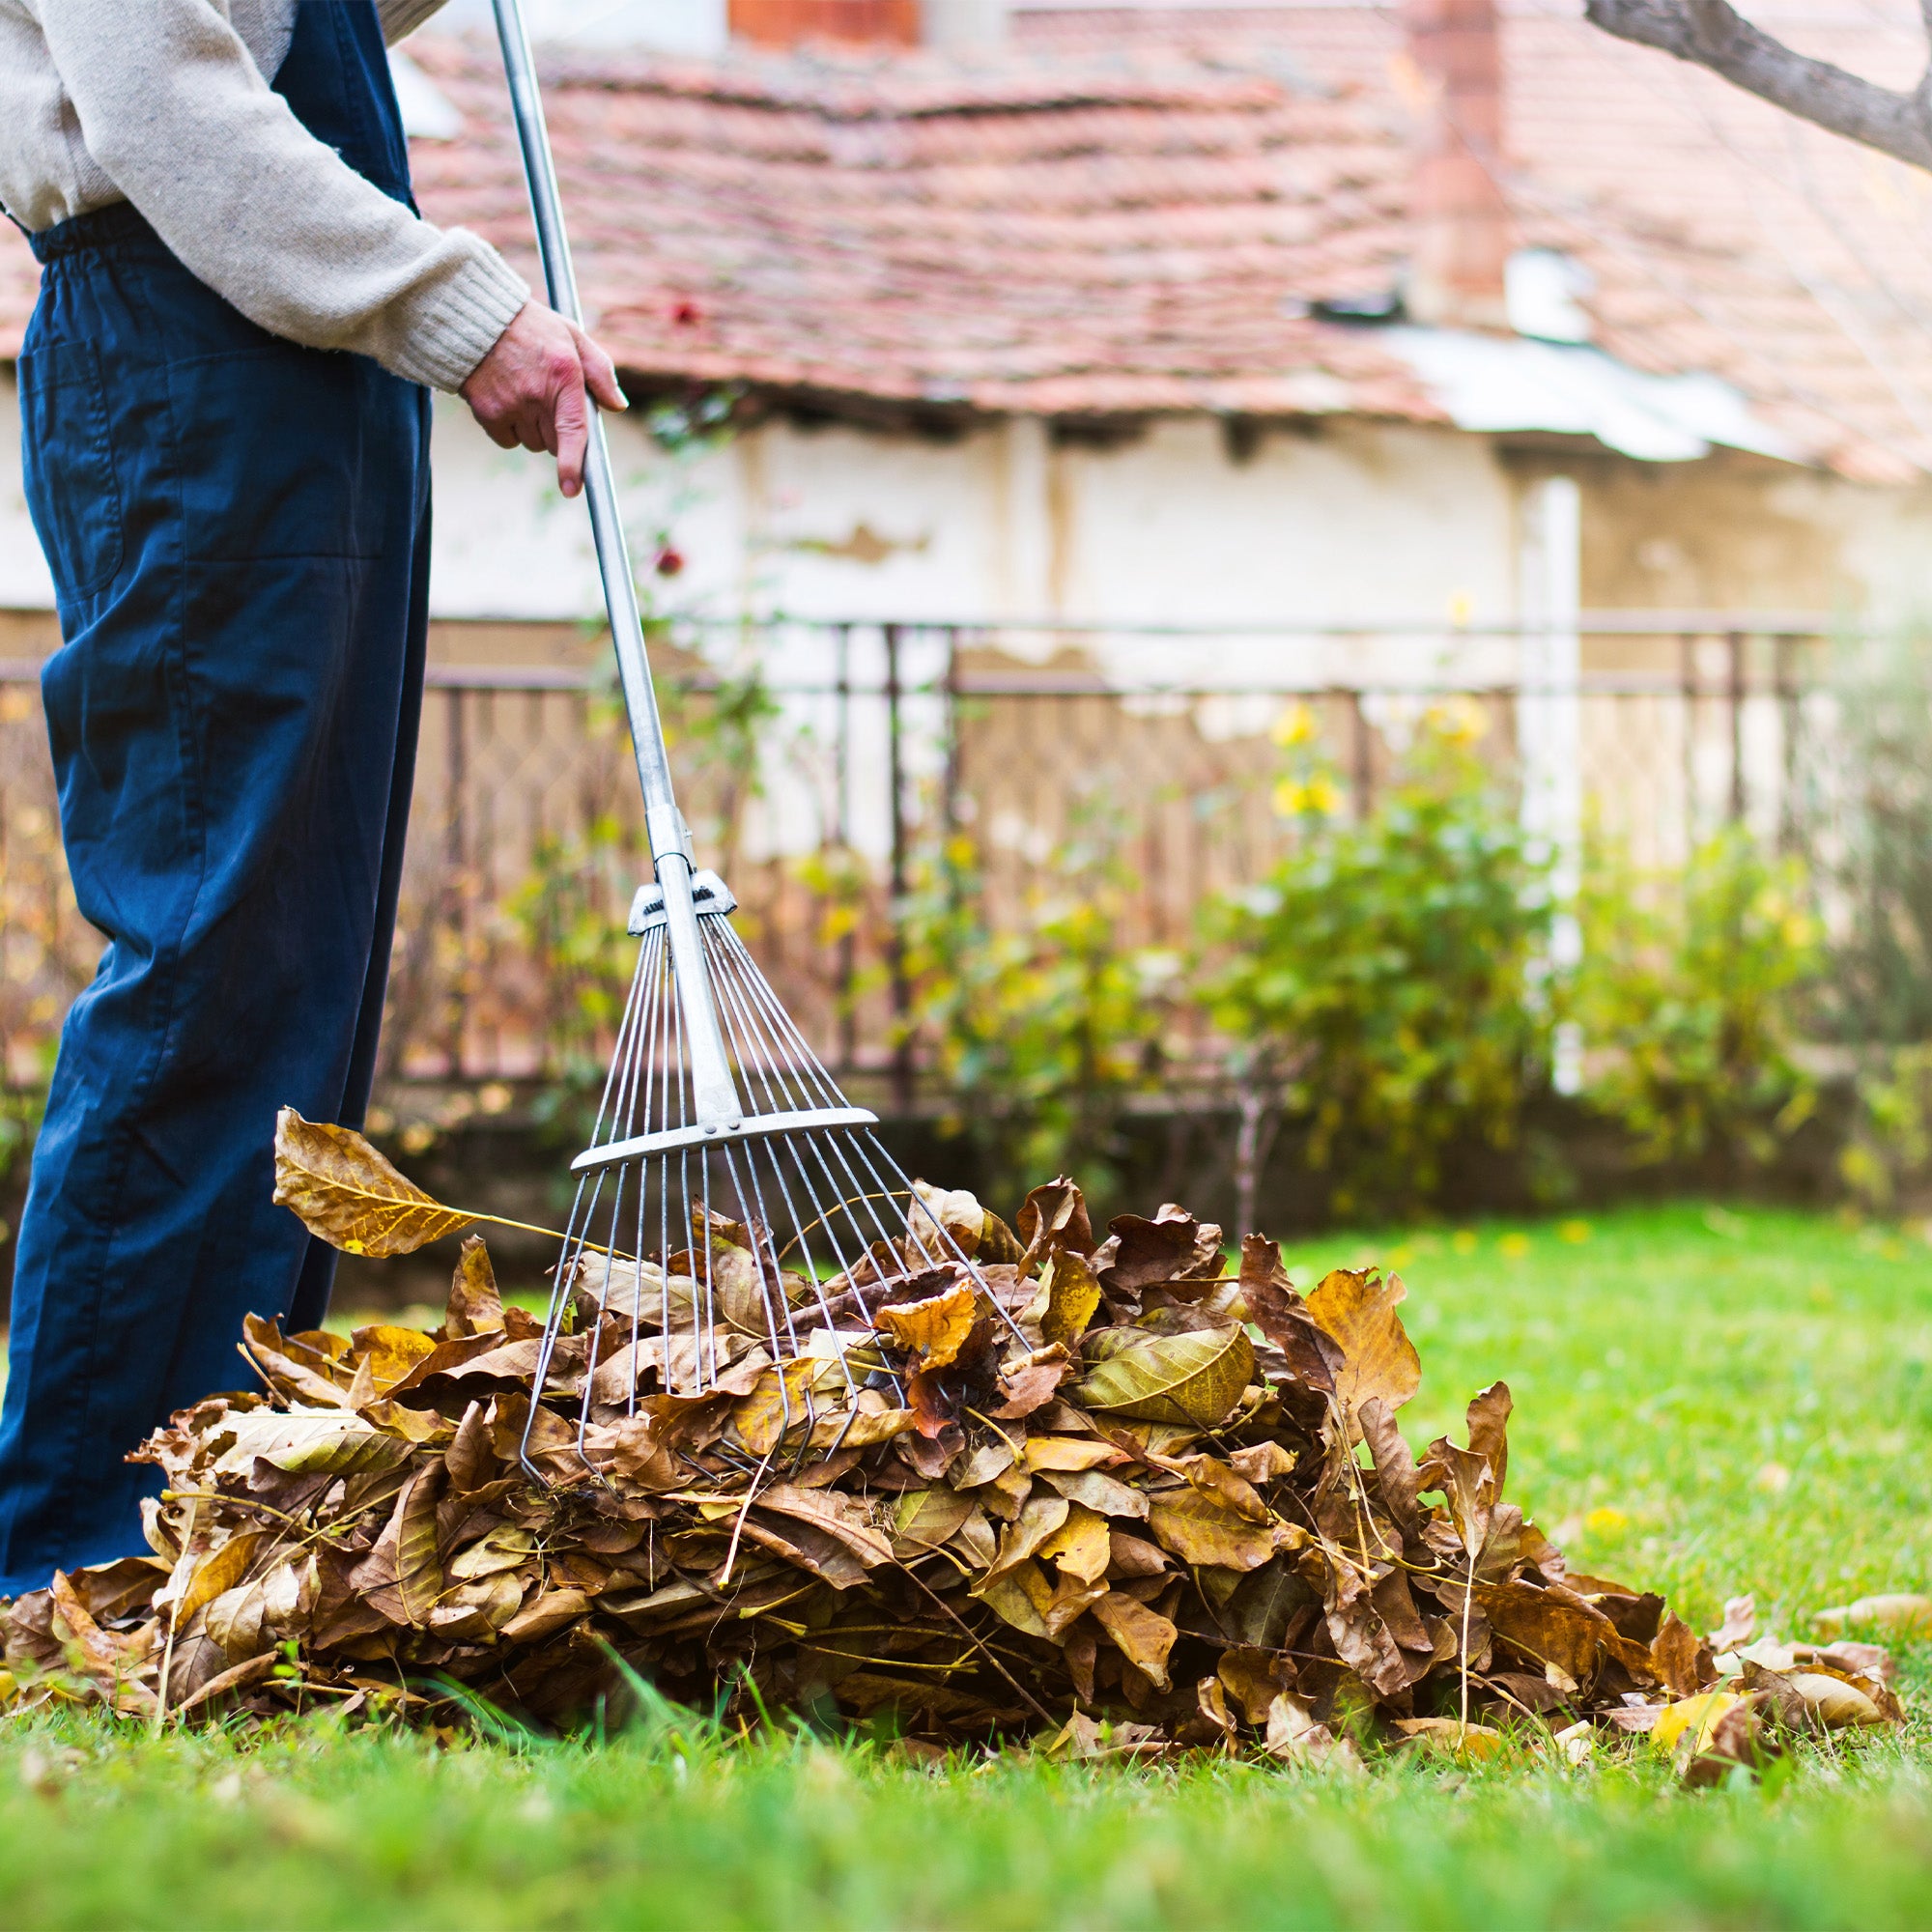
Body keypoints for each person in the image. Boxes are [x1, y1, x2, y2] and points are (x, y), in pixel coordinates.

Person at [0, 0, 624, 1597]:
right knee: (214, 957)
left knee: (297, 981)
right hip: (189, 358)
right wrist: (462, 309)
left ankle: (218, 1494)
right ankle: (74, 1539)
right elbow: (174, 112)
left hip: (293, 383)